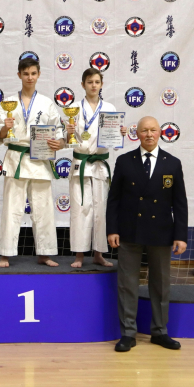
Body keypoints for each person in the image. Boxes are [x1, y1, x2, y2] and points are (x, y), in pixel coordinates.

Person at [107, 116, 188, 352]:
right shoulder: (124, 161)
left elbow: (180, 203)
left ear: (160, 133)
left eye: (153, 130)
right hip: (129, 231)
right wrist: (112, 229)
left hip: (161, 232)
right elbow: (114, 200)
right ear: (137, 134)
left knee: (161, 284)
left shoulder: (172, 163)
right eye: (144, 130)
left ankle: (160, 332)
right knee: (127, 284)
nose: (149, 134)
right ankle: (128, 334)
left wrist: (180, 235)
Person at [0, 58, 65, 267]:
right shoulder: (8, 102)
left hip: (40, 159)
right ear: (19, 75)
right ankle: (5, 253)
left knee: (43, 209)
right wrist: (5, 128)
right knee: (11, 208)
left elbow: (58, 131)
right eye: (26, 74)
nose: (30, 77)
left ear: (38, 74)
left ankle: (45, 253)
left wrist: (59, 143)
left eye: (33, 73)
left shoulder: (46, 103)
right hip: (16, 158)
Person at [65, 68, 127, 268]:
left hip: (99, 164)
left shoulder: (109, 108)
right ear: (82, 84)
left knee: (101, 209)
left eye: (97, 82)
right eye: (90, 82)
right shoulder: (73, 108)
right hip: (80, 164)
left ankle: (99, 254)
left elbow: (114, 142)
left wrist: (120, 134)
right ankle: (79, 255)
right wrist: (68, 132)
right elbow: (66, 140)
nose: (93, 85)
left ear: (101, 84)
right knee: (80, 209)